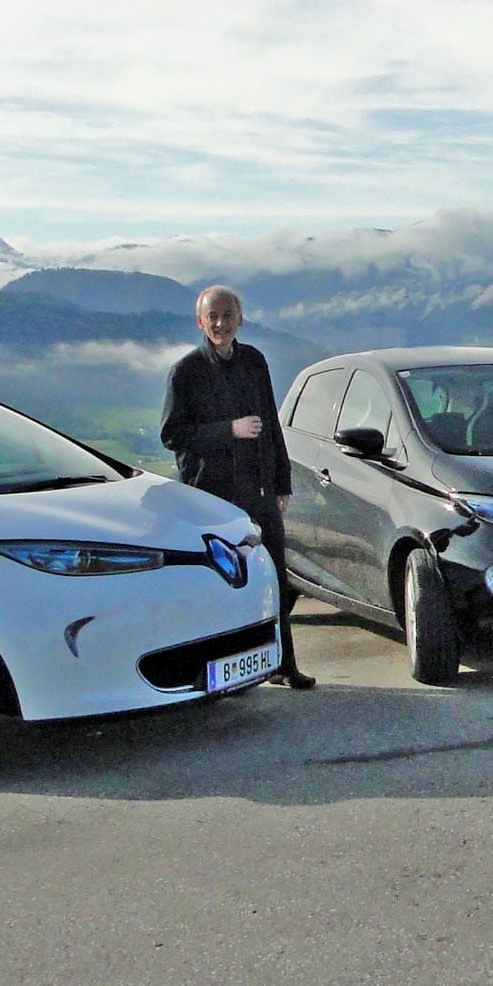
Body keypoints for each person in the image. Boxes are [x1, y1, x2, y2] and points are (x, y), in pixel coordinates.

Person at [160, 285, 315, 689]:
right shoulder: (186, 371)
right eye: (212, 316)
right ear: (200, 322)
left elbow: (270, 423)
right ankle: (217, 673)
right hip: (213, 497)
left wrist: (282, 482)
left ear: (240, 319)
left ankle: (284, 664)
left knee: (275, 578)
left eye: (227, 315)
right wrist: (229, 431)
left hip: (259, 491)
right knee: (220, 584)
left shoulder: (254, 362)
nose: (219, 324)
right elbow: (172, 434)